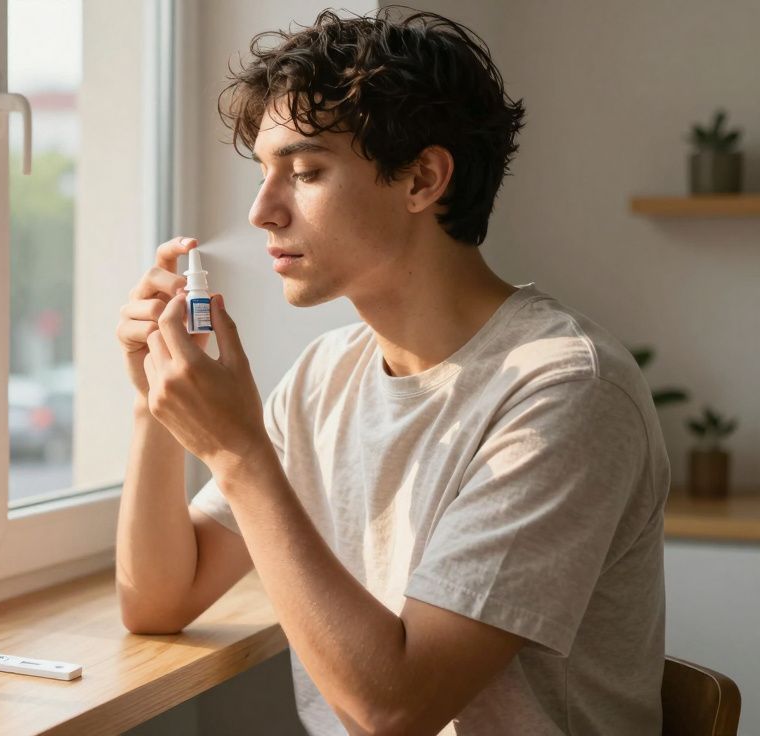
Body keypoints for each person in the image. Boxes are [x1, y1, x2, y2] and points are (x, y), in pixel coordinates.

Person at [115, 8, 669, 735]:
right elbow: (159, 599)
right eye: (262, 174)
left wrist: (239, 450)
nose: (261, 211)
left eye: (305, 171)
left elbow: (394, 707)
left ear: (422, 179)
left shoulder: (566, 391)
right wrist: (155, 402)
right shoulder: (326, 375)